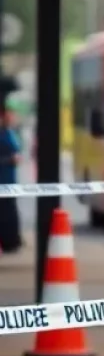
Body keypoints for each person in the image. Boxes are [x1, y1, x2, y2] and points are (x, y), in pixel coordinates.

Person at [0, 106, 22, 253]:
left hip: (10, 181)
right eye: (9, 115)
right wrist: (9, 160)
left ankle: (12, 241)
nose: (12, 118)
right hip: (2, 179)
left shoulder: (11, 132)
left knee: (10, 211)